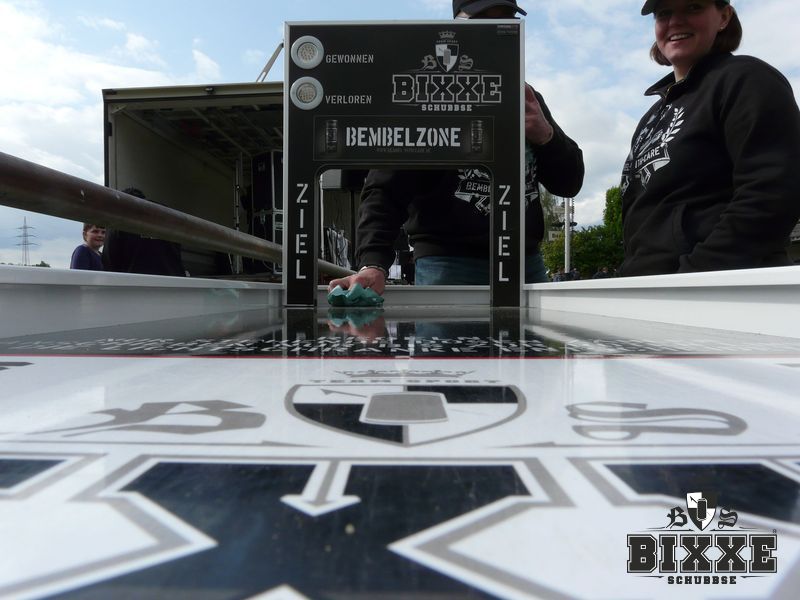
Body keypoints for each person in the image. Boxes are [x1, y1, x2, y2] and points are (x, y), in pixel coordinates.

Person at [328, 0, 584, 296]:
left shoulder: (526, 97)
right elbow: (384, 188)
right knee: (448, 329)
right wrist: (373, 263)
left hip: (525, 262)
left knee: (533, 330)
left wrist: (546, 136)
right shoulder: (424, 95)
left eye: (506, 23)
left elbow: (570, 182)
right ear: (456, 30)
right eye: (482, 23)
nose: (495, 33)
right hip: (449, 263)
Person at [619, 0, 800, 276]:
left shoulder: (747, 78)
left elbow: (772, 193)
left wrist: (693, 276)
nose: (675, 21)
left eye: (693, 7)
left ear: (724, 16)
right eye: (664, 13)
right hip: (647, 287)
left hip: (716, 290)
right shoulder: (650, 118)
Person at [102, 188, 186, 276]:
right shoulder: (167, 215)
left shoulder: (120, 217)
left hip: (135, 281)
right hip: (174, 280)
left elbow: (109, 263)